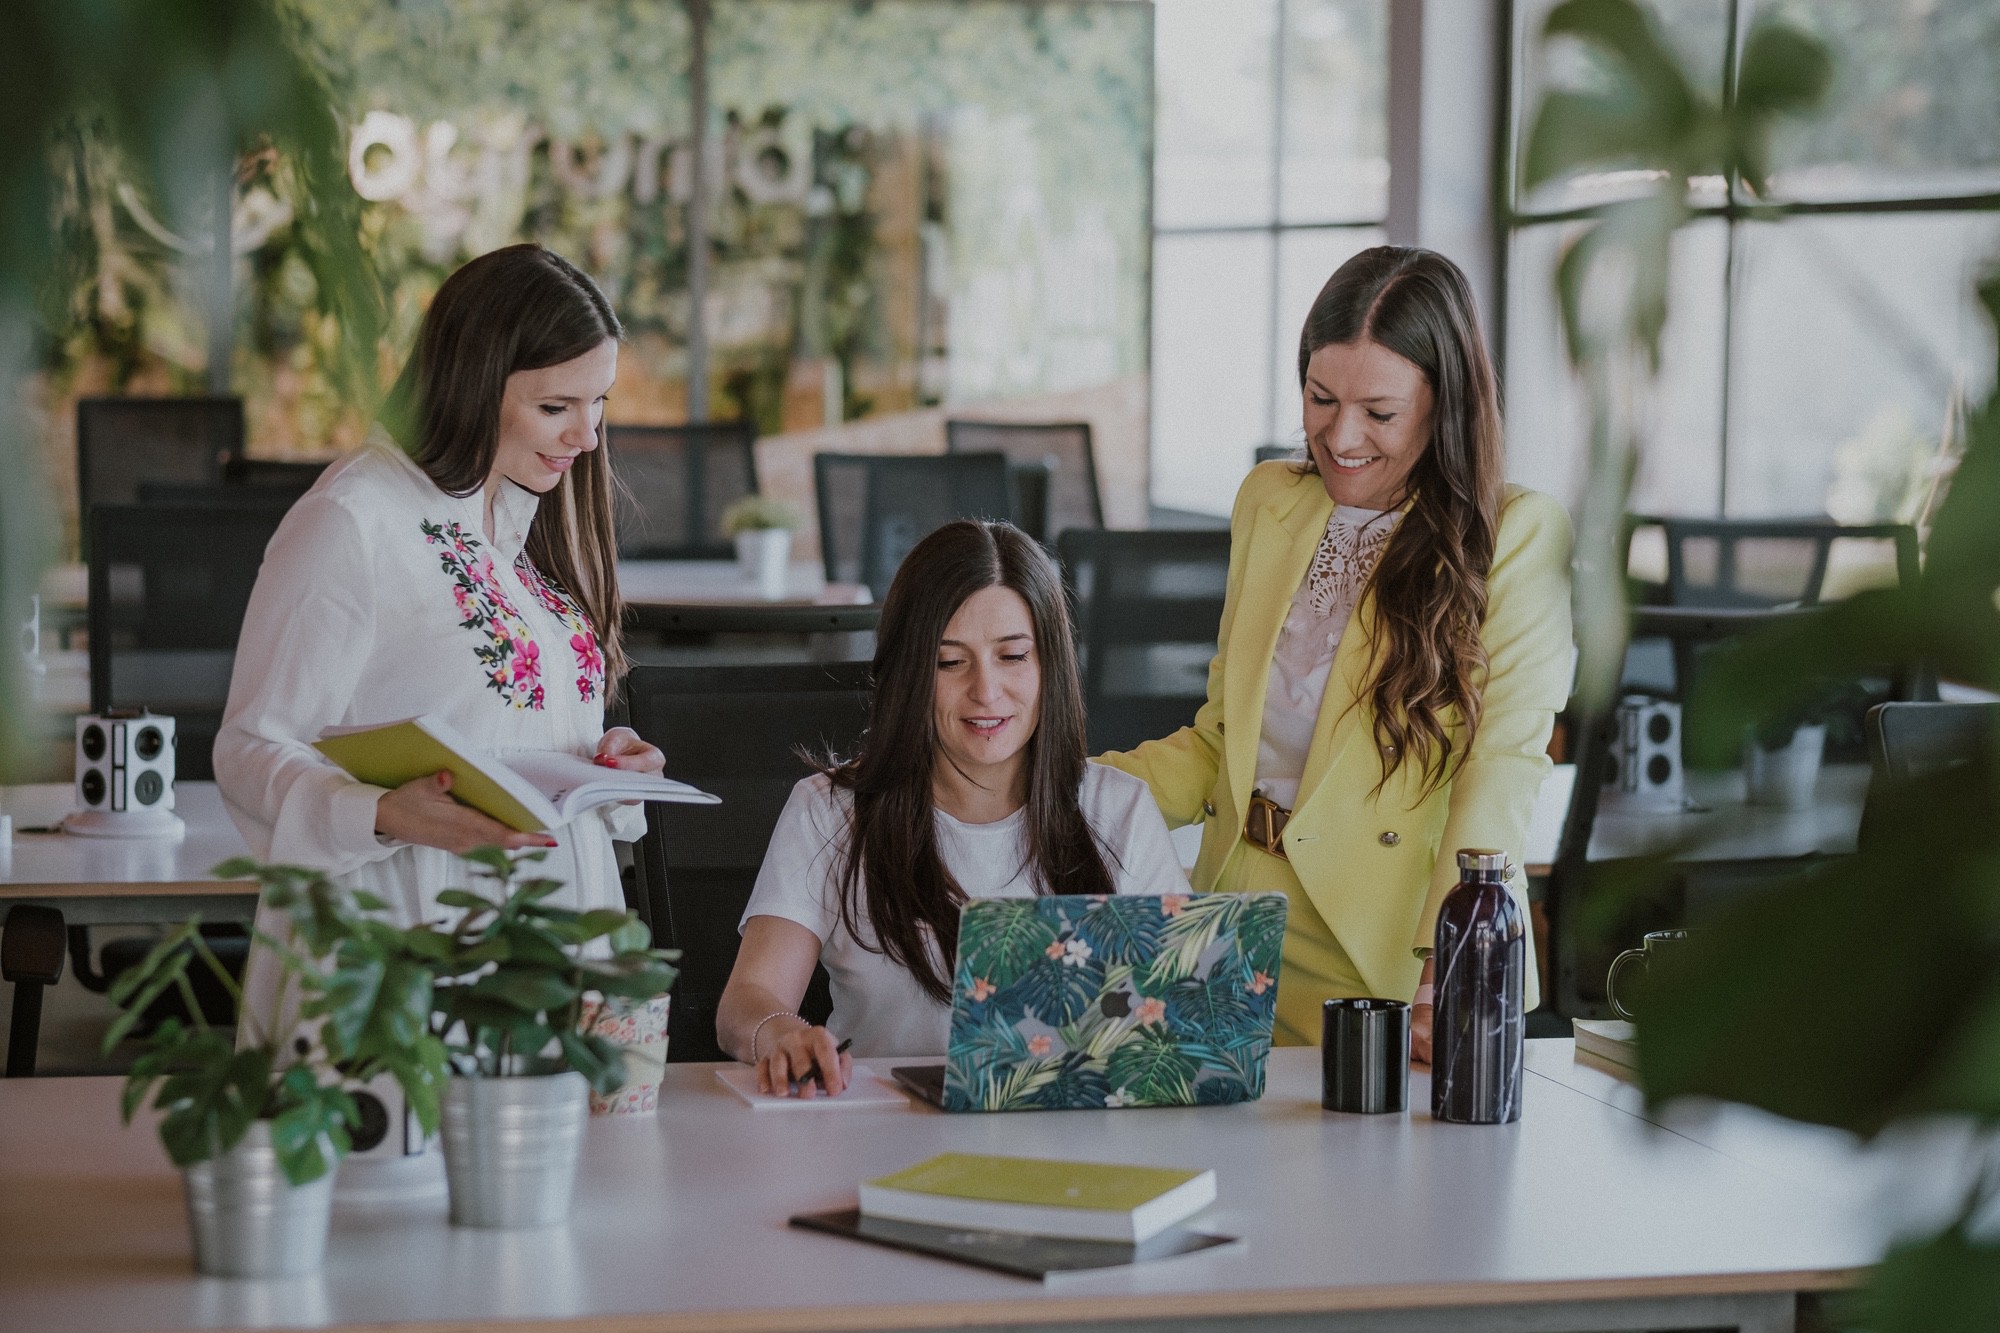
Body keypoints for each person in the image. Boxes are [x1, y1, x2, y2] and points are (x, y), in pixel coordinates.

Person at [1100, 246, 1573, 1061]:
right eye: (1320, 399)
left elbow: (1498, 771)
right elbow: (1222, 741)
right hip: (1230, 930)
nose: (1340, 436)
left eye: (1379, 413)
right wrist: (1054, 790)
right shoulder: (1270, 501)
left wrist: (1451, 958)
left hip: (1393, 957)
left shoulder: (1516, 535)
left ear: (1444, 404)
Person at [216, 243, 664, 1017]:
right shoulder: (353, 520)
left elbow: (507, 720)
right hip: (403, 943)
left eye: (599, 405)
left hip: (548, 940)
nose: (586, 438)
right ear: (470, 385)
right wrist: (381, 811)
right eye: (556, 407)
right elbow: (250, 748)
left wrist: (606, 766)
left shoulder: (522, 520)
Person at [717, 519, 1188, 1096]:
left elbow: (1176, 1018)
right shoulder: (832, 811)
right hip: (881, 1135)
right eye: (950, 662)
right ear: (911, 673)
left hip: (1073, 1138)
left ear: (1050, 668)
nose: (986, 691)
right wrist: (778, 1032)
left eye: (1013, 656)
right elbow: (747, 1001)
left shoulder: (1120, 809)